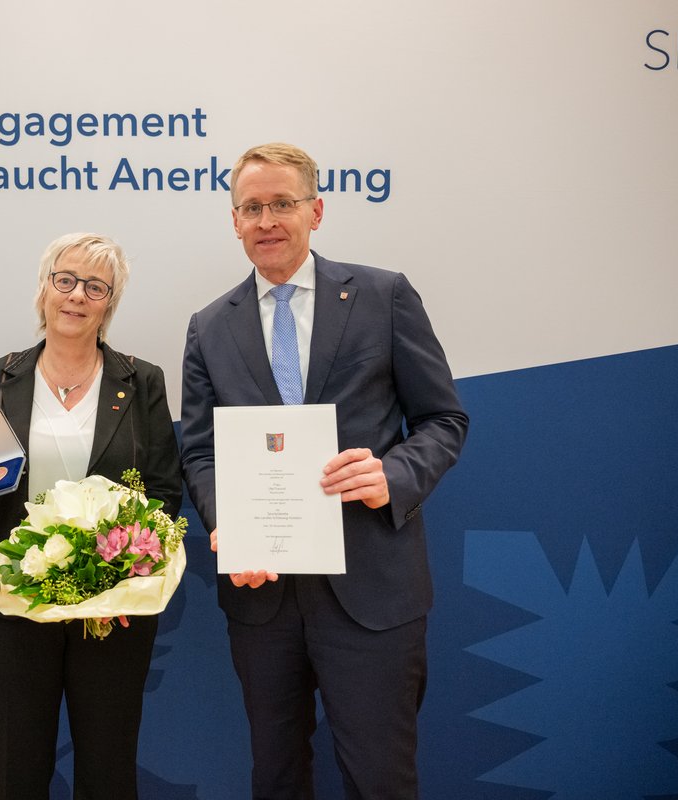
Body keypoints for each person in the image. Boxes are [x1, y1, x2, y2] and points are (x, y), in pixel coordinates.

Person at [180, 143, 469, 799]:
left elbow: (443, 419)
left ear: (316, 210)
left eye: (282, 203)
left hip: (371, 590)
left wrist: (393, 476)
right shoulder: (208, 327)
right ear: (234, 220)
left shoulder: (383, 295)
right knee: (276, 778)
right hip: (263, 597)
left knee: (379, 779)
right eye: (252, 207)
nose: (267, 221)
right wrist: (229, 522)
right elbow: (199, 451)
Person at [0, 232, 182, 800]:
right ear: (45, 288)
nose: (77, 295)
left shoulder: (141, 381)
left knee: (108, 774)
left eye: (95, 287)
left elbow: (164, 491)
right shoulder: (2, 377)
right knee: (16, 776)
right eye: (65, 280)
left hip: (111, 610)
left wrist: (131, 576)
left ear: (109, 303)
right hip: (12, 605)